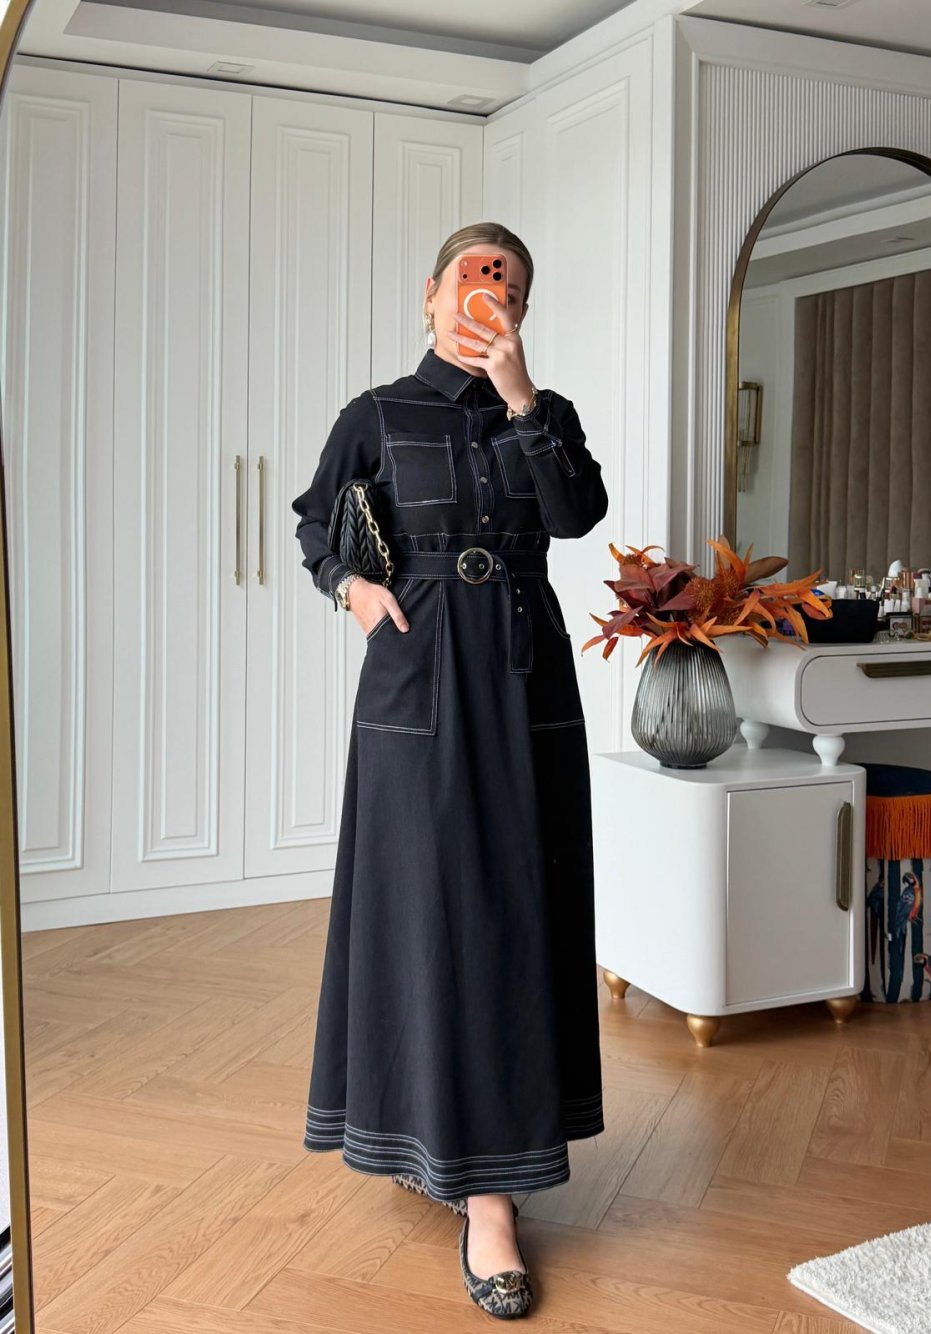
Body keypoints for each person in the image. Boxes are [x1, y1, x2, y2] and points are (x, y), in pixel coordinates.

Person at [291, 221, 608, 1320]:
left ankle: (492, 1194)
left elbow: (575, 516)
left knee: (516, 911)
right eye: (473, 279)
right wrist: (349, 587)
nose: (487, 297)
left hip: (523, 680)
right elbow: (314, 520)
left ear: (519, 308)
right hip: (415, 676)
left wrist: (521, 399)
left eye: (506, 287)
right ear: (431, 293)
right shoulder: (376, 414)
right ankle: (431, 1137)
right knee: (426, 909)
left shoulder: (545, 413)